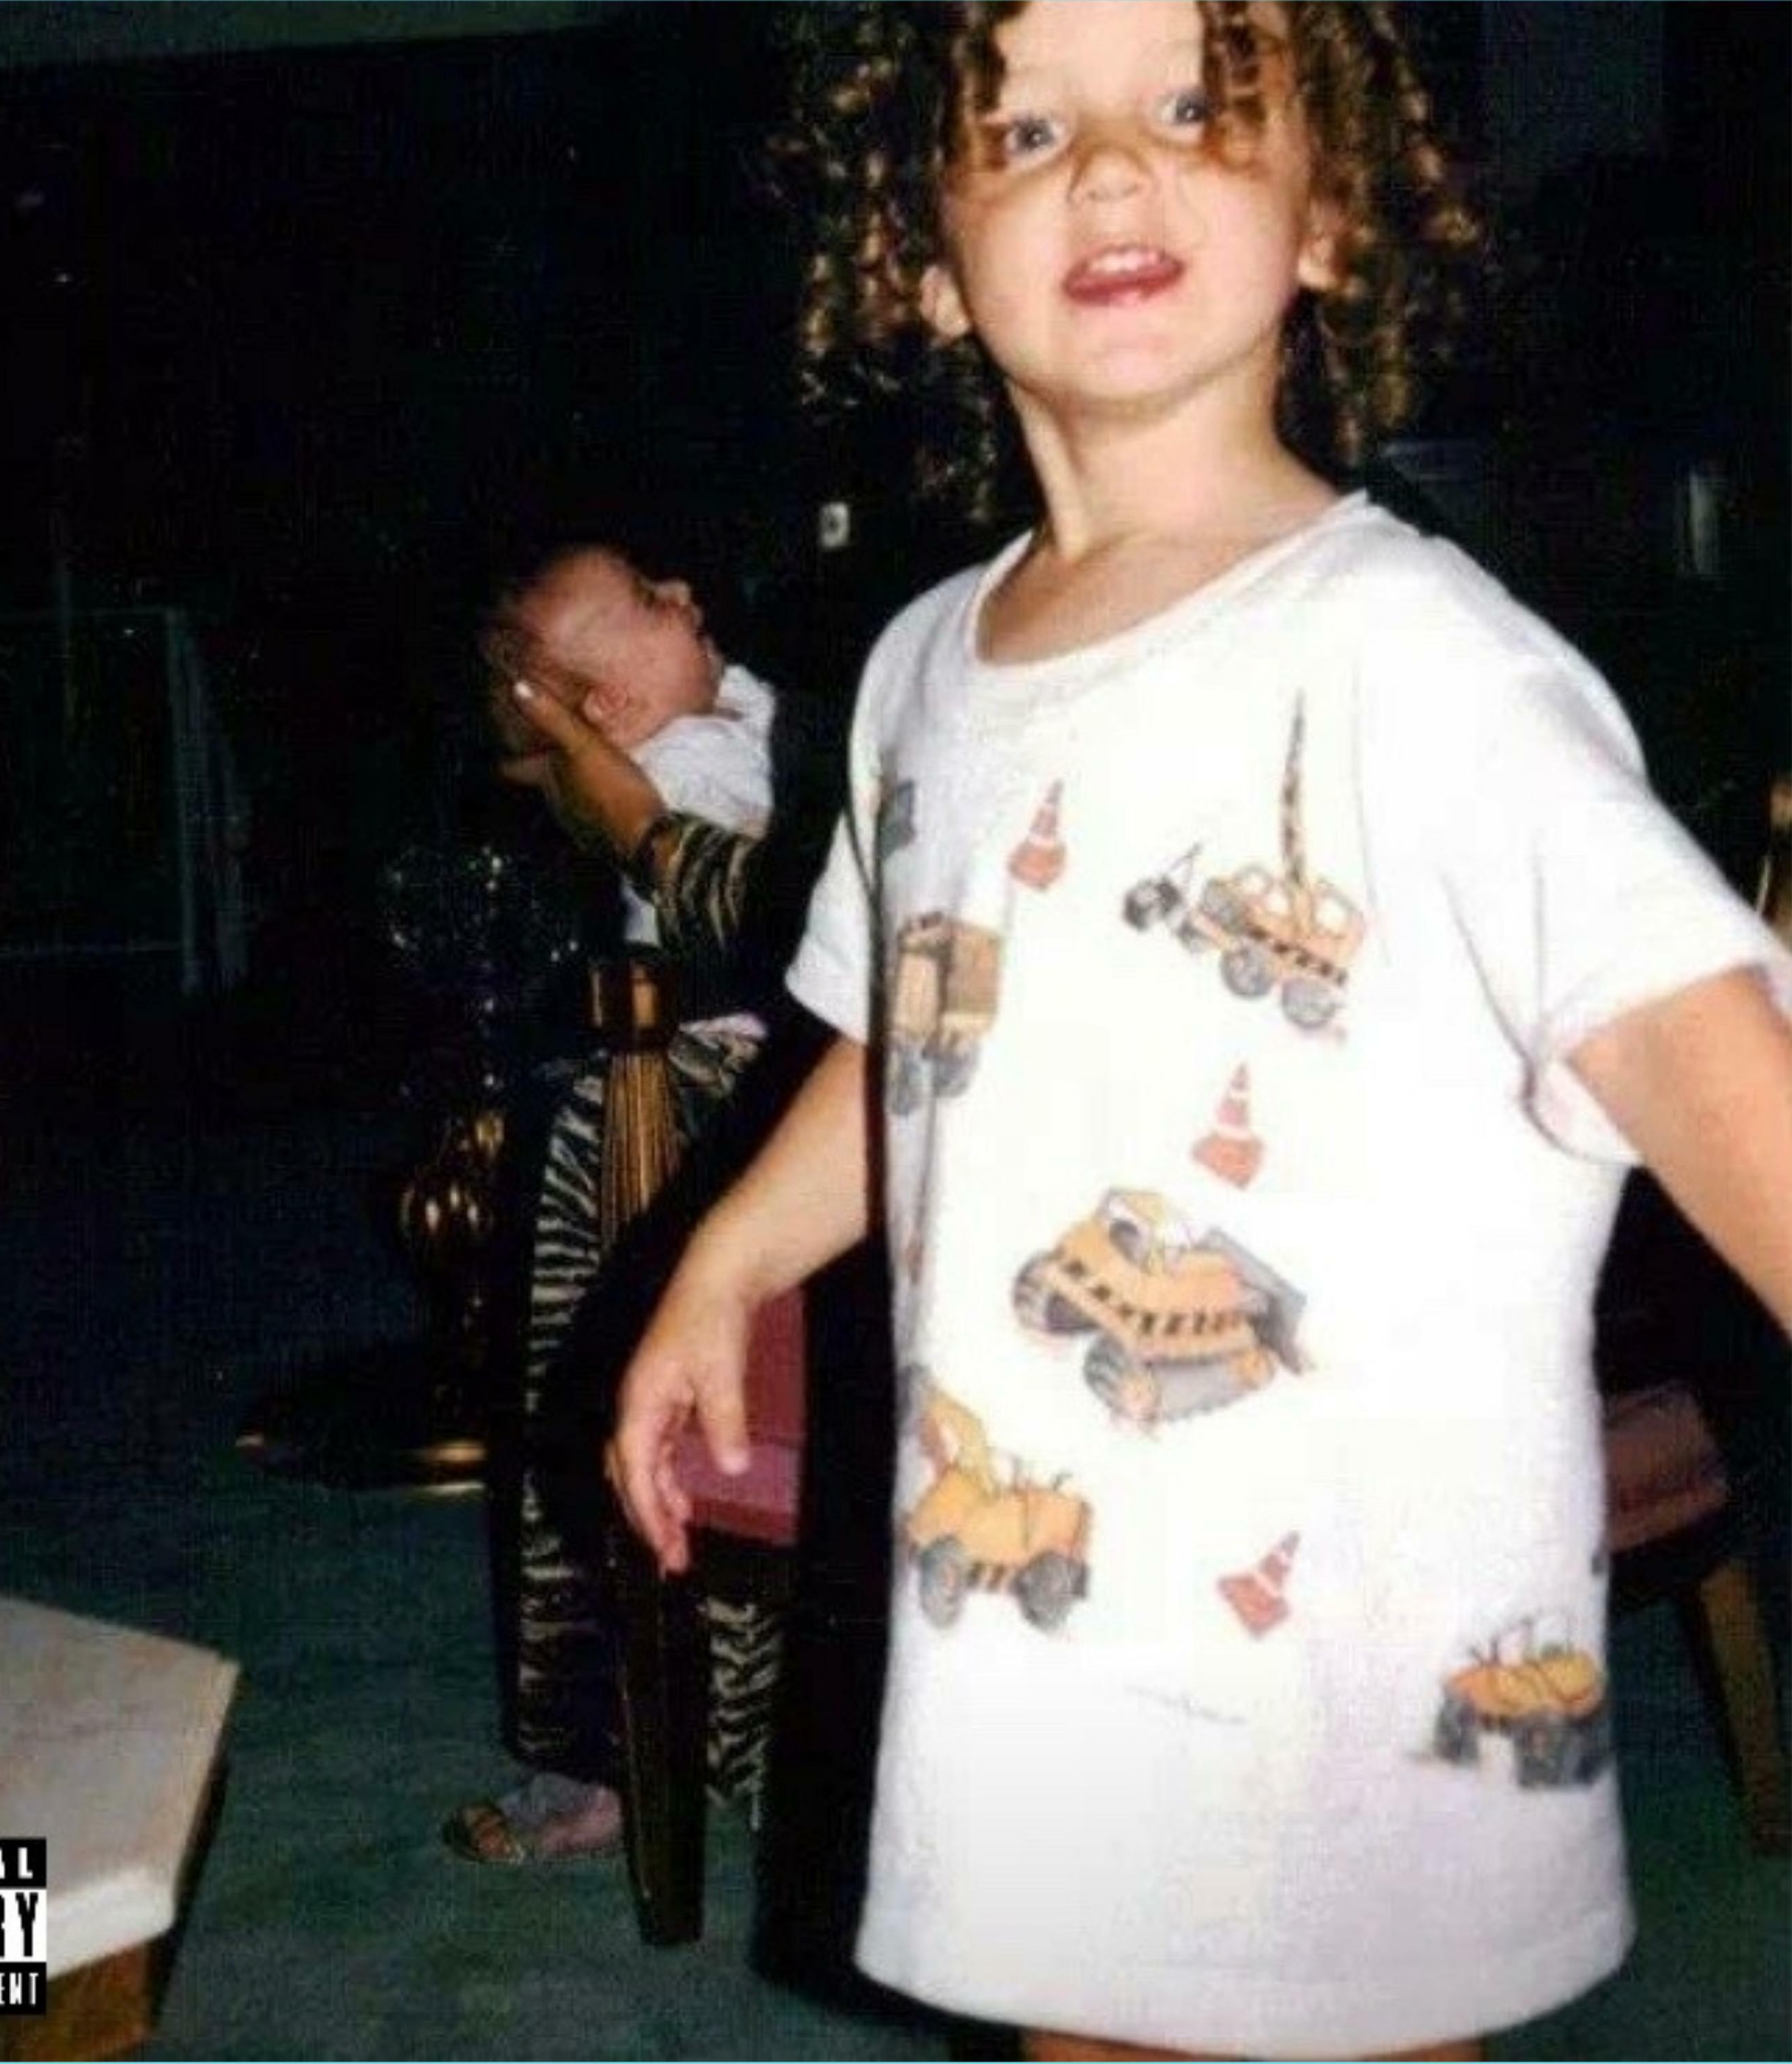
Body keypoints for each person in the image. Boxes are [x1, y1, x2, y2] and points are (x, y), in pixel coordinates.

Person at [606, 6, 1792, 2060]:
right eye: (1024, 130)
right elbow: (909, 1027)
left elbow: (1690, 1041)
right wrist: (726, 1256)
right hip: (1040, 1624)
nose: (1110, 168)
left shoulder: (1411, 656)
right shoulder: (917, 669)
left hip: (1356, 1646)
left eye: (1190, 109)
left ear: (1324, 217)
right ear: (918, 253)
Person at [443, 546, 812, 1868]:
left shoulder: (724, 727)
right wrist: (570, 752)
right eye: (655, 603)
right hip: (694, 1090)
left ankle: (690, 1735)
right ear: (605, 710)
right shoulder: (687, 768)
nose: (691, 595)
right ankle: (603, 1736)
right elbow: (746, 893)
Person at [480, 544, 776, 948]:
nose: (680, 589)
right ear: (612, 702)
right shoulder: (671, 777)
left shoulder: (722, 691)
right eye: (649, 600)